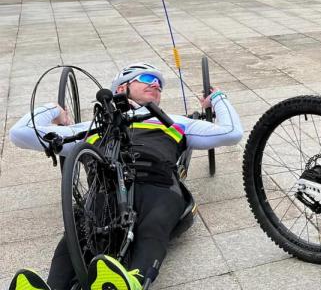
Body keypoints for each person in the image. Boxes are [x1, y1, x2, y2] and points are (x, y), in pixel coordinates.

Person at [7, 63, 243, 290]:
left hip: (157, 184)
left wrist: (218, 98)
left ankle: (133, 282)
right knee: (78, 228)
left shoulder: (176, 122)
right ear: (121, 88)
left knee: (155, 220)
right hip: (105, 187)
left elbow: (231, 132)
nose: (156, 86)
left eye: (160, 85)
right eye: (148, 79)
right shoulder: (90, 127)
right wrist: (55, 110)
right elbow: (21, 133)